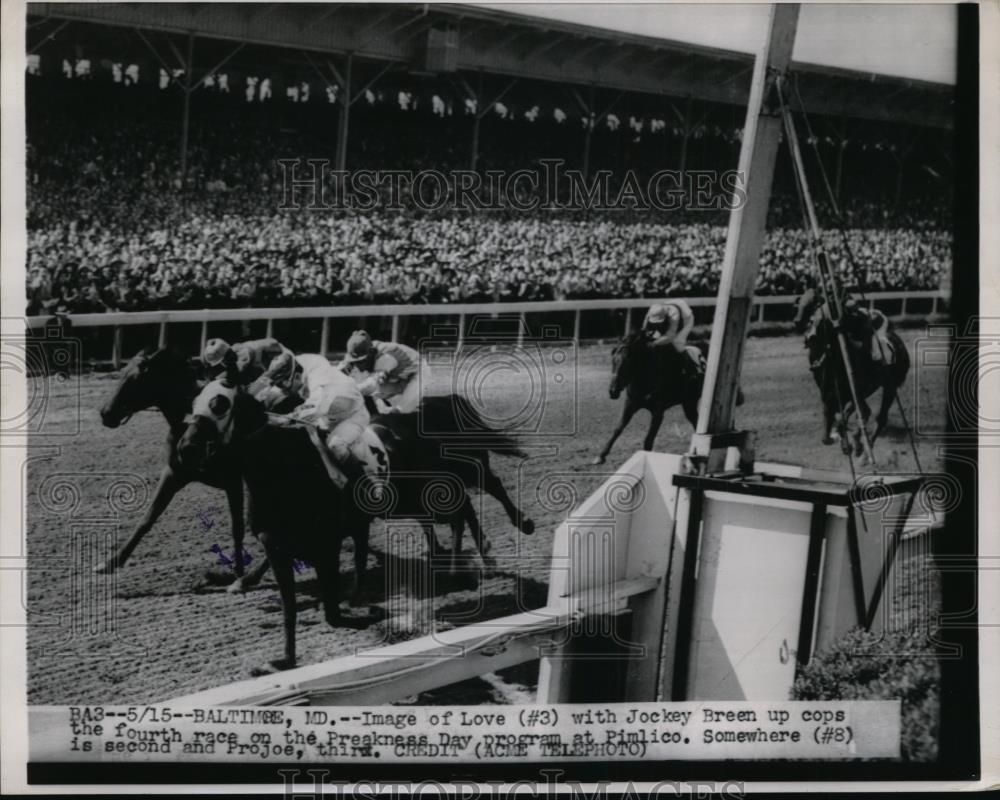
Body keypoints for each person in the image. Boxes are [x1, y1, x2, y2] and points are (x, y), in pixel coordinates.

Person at [267, 352, 388, 490]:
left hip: (353, 415)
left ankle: (365, 486)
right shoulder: (298, 365)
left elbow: (313, 410)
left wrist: (281, 420)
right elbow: (274, 393)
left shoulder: (318, 382)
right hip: (329, 411)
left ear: (296, 376)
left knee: (336, 445)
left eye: (286, 388)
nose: (285, 392)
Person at [338, 330, 428, 414]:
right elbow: (336, 372)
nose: (357, 365)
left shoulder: (385, 358)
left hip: (418, 374)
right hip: (395, 375)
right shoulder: (364, 350)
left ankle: (414, 407)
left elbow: (371, 386)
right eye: (354, 362)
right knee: (363, 383)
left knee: (401, 410)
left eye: (360, 361)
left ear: (371, 353)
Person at [203, 337, 294, 390]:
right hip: (270, 361)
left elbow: (236, 373)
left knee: (254, 390)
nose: (222, 365)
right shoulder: (233, 350)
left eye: (221, 363)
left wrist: (214, 381)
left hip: (283, 359)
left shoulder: (244, 353)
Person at [640, 300, 699, 376]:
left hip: (687, 319)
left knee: (677, 343)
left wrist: (653, 343)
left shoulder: (674, 315)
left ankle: (690, 367)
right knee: (654, 337)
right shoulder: (653, 310)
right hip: (670, 313)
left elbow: (669, 336)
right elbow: (644, 327)